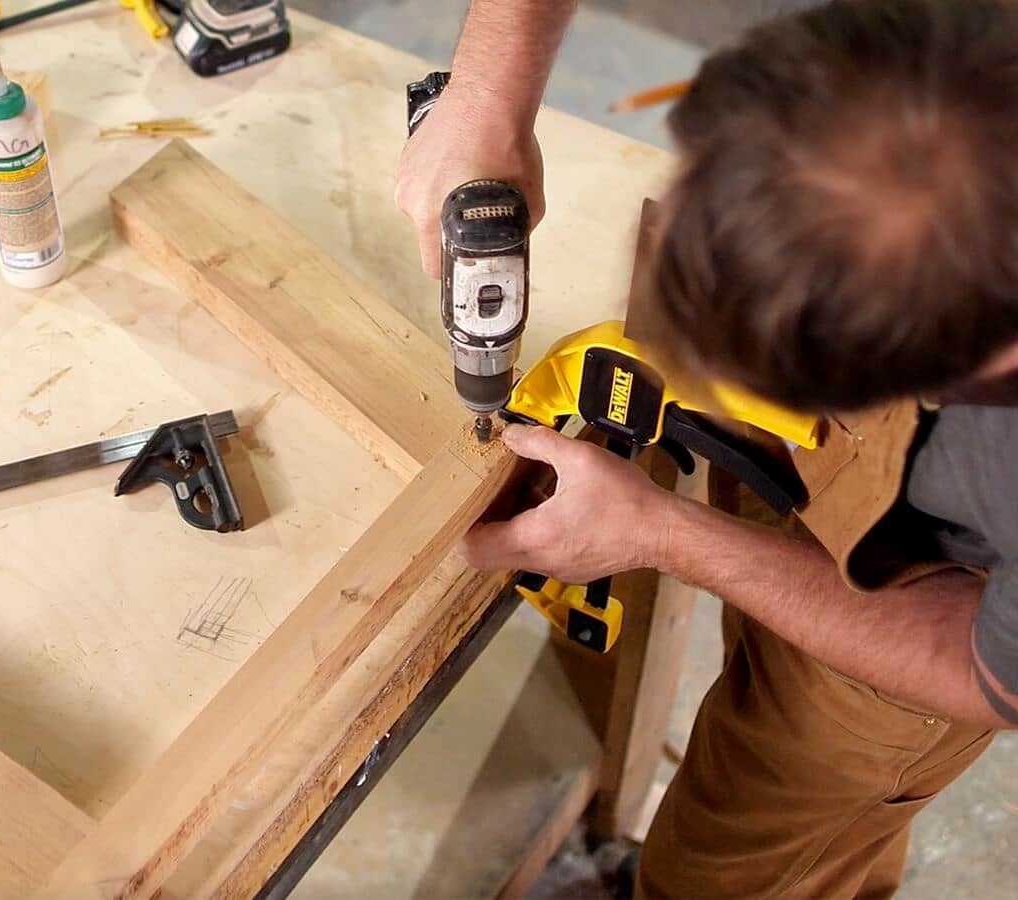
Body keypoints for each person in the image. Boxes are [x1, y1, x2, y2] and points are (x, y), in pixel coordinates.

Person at [397, 1, 1018, 897]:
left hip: (936, 610)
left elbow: (987, 675)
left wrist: (664, 534)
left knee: (734, 864)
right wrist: (488, 96)